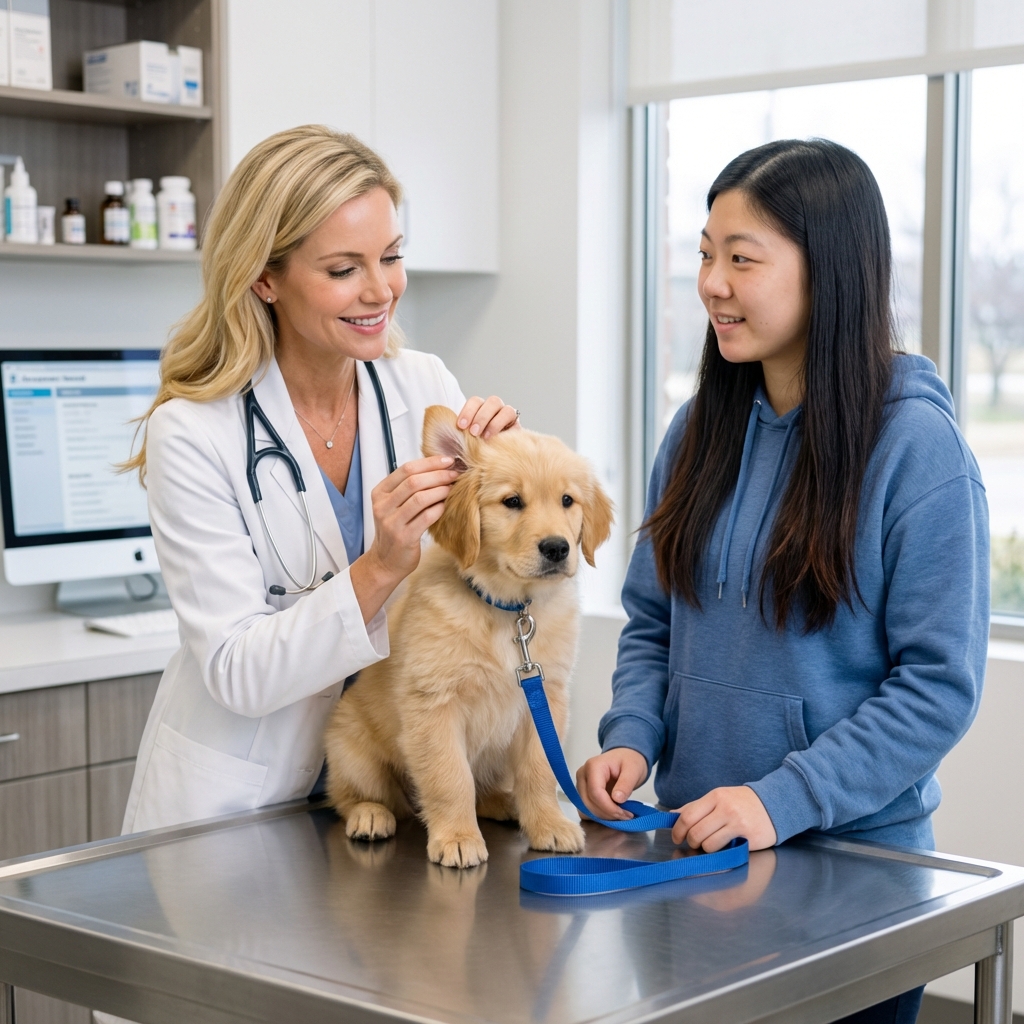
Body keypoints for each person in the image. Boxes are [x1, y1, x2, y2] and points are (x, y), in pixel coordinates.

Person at [576, 139, 989, 1024]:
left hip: (856, 881)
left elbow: (937, 687)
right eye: (704, 253)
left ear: (828, 271)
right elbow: (654, 620)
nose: (711, 282)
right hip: (695, 862)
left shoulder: (918, 452)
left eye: (742, 258)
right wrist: (633, 736)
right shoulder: (695, 433)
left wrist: (781, 800)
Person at [119, 125, 519, 838]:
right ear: (264, 277)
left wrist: (507, 488)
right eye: (343, 269)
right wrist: (380, 568)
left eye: (392, 257)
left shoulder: (421, 383)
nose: (380, 290)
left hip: (388, 787)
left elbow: (473, 587)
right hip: (241, 805)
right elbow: (239, 672)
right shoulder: (194, 432)